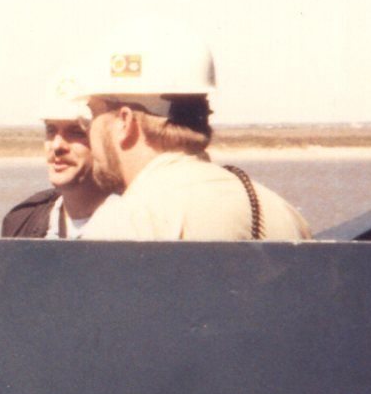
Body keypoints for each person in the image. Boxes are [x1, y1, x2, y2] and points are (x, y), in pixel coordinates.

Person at [66, 21, 311, 241]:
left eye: (93, 114)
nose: (89, 131)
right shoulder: (283, 213)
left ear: (124, 122)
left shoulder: (122, 223)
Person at [2, 71, 112, 238]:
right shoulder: (21, 224)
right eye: (51, 130)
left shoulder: (137, 226)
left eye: (76, 131)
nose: (57, 145)